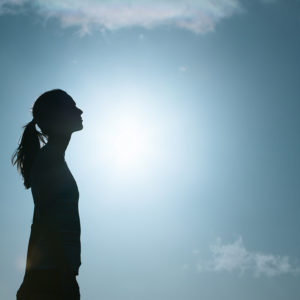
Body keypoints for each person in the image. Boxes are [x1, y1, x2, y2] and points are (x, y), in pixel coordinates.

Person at [12, 89, 83, 300]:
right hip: (51, 276)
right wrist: (65, 277)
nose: (79, 110)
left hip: (53, 273)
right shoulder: (50, 159)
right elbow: (47, 222)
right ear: (56, 117)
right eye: (71, 107)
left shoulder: (53, 158)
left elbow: (39, 221)